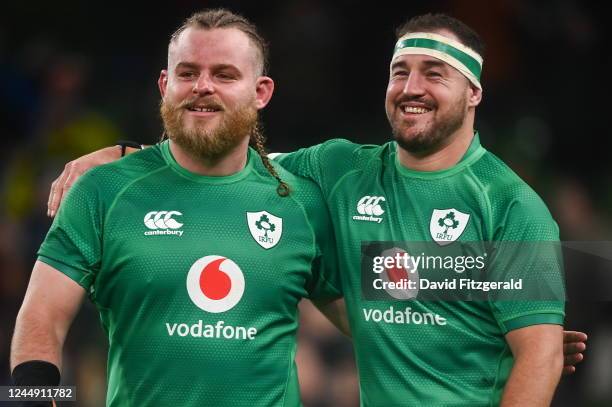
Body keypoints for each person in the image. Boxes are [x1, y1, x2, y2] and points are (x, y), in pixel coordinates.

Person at [43, 11, 588, 407]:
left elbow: (538, 359)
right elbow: (220, 149)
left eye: (434, 74)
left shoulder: (512, 205)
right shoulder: (336, 169)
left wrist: (520, 339)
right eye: (401, 72)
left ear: (473, 94)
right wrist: (120, 155)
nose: (411, 88)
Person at [11, 9, 346, 407]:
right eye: (187, 73)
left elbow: (380, 326)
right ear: (165, 84)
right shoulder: (104, 189)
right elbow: (40, 319)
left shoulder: (301, 200)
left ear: (261, 92)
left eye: (224, 75)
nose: (202, 86)